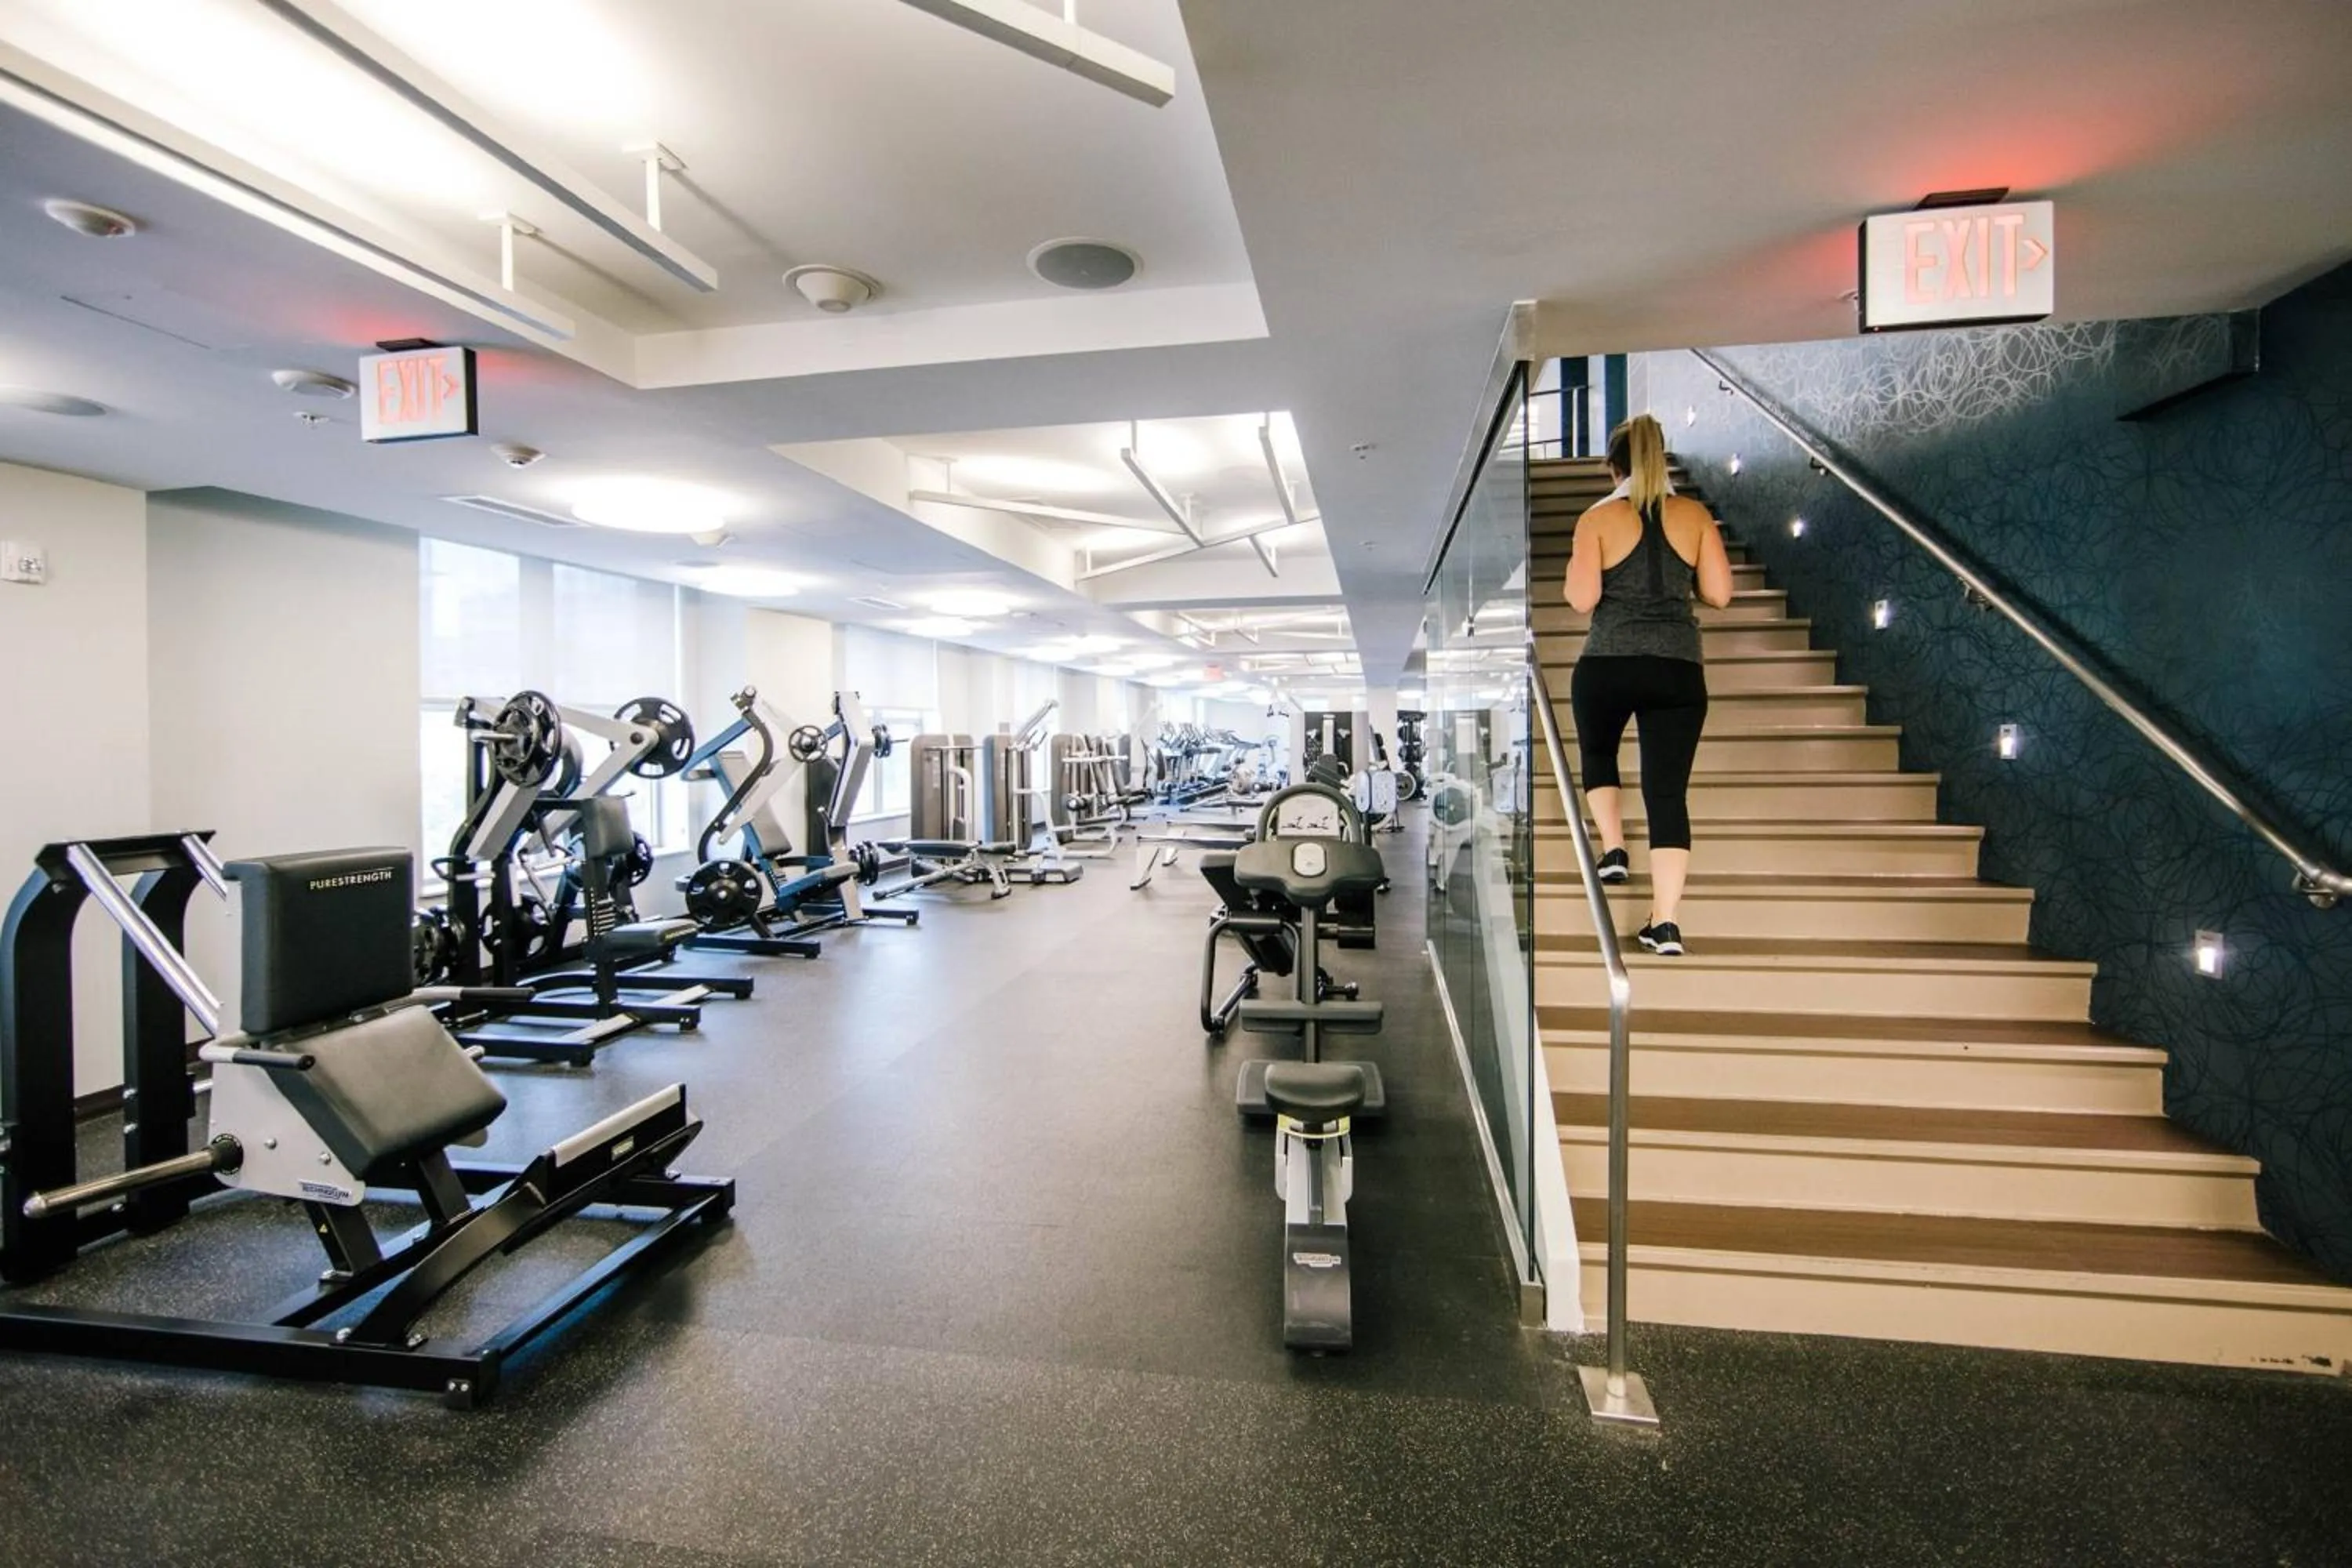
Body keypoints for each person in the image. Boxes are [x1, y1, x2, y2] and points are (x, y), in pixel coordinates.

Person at [1563, 413, 1736, 956]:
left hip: (1609, 662)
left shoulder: (1596, 520)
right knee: (1667, 794)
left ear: (1611, 467)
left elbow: (1581, 599)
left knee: (1598, 751)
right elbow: (1721, 594)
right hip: (1679, 667)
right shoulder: (1695, 515)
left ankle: (1613, 849)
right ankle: (1665, 923)